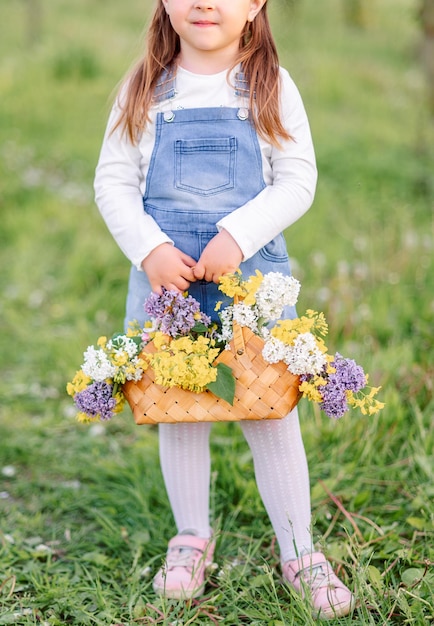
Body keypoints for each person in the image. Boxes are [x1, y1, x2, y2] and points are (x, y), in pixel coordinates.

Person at [94, 0, 355, 619]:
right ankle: (190, 536)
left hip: (252, 285)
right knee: (181, 409)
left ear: (256, 4)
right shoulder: (143, 86)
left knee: (270, 411)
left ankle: (299, 548)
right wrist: (151, 248)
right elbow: (113, 180)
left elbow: (296, 177)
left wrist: (237, 234)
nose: (204, 2)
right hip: (171, 293)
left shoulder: (268, 83)